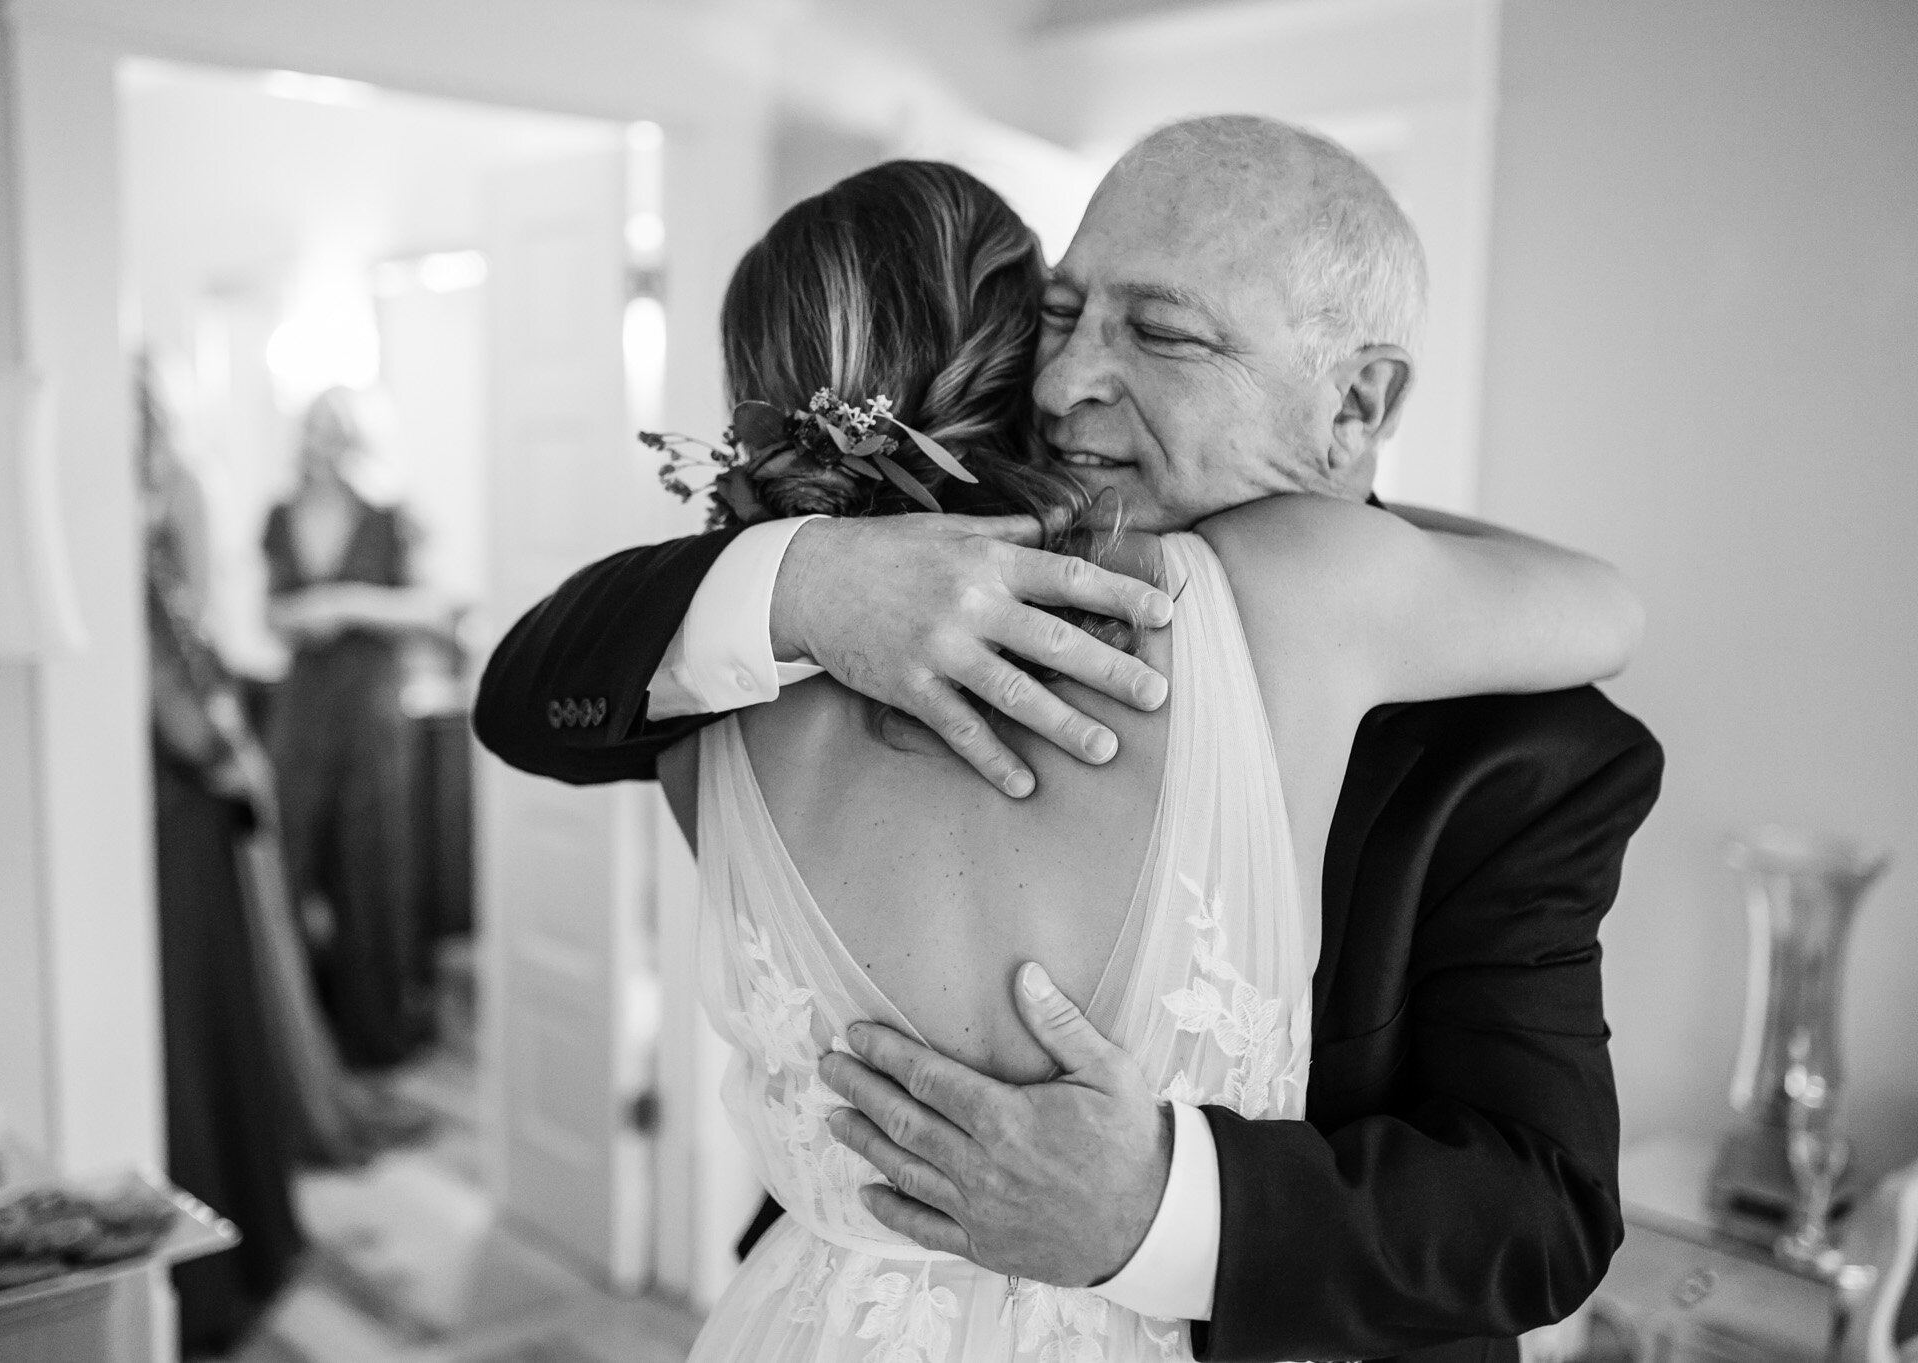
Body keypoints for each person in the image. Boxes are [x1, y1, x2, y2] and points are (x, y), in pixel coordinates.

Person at [477, 129, 1660, 1362]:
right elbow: (527, 694)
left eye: (1160, 332)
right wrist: (810, 584)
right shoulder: (795, 632)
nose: (1062, 384)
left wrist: (1160, 1209)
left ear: (1356, 402)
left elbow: (1540, 1214)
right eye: (1059, 312)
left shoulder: (1529, 747)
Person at [141, 363, 306, 1356]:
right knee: (194, 1023)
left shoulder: (159, 510)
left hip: (182, 800)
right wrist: (224, 752)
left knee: (205, 1020)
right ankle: (211, 1268)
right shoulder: (128, 528)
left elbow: (190, 642)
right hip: (170, 803)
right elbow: (174, 682)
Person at [265, 388, 454, 1067]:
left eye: (334, 430)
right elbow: (269, 612)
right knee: (288, 860)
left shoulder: (390, 513)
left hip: (372, 705)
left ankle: (375, 1031)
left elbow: (429, 608)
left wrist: (343, 603)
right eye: (312, 429)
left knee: (373, 862)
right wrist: (295, 616)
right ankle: (295, 1038)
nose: (321, 443)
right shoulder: (279, 515)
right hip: (302, 703)